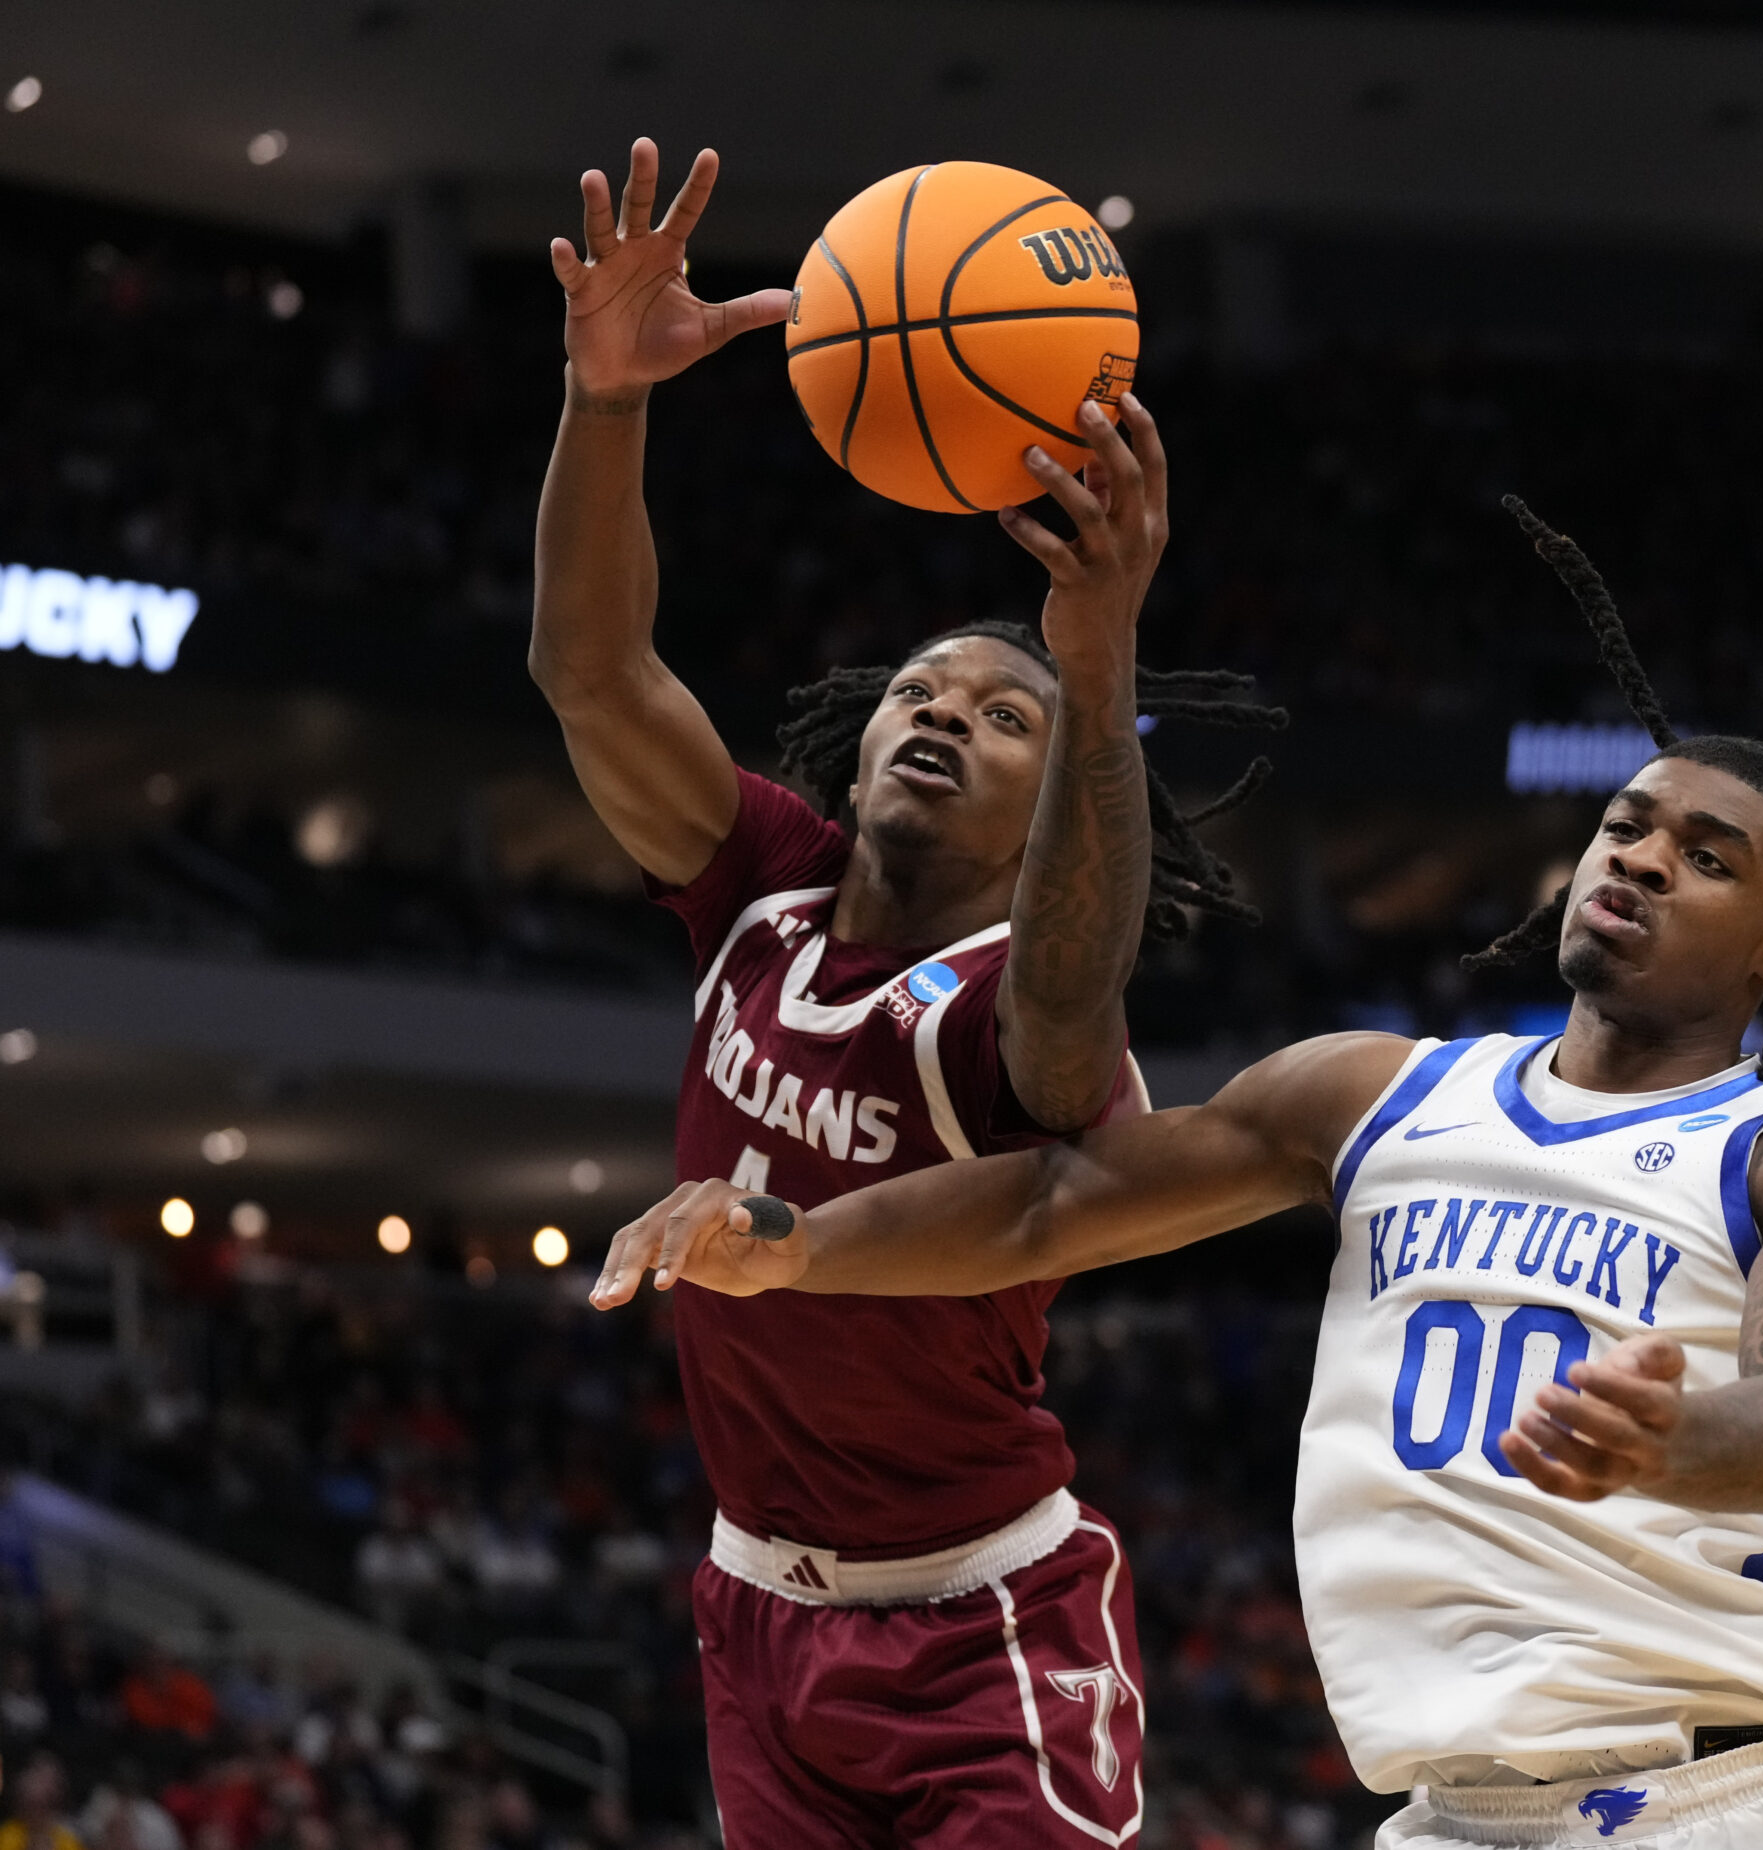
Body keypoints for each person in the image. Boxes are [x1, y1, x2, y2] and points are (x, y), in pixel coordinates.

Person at [599, 503, 1763, 1849]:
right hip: (1460, 1817)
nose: (1643, 858)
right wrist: (793, 1242)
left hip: (1746, 1801)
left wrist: (1681, 1440)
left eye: (1707, 860)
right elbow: (1042, 1201)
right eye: (1630, 824)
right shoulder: (1374, 1093)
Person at [541, 138, 1279, 1846]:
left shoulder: (1011, 994)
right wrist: (605, 405)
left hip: (981, 1623)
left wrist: (1095, 669)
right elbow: (590, 671)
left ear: (1062, 796)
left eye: (1004, 716)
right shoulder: (761, 883)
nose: (946, 711)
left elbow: (1075, 1006)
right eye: (922, 692)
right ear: (861, 733)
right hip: (752, 1606)